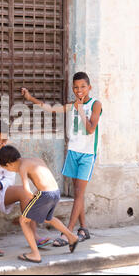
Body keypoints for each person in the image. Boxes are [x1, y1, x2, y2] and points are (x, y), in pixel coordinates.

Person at [21, 71, 102, 246]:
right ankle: (83, 228)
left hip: (87, 155)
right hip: (73, 152)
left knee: (79, 193)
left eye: (82, 87)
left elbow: (90, 129)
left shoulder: (96, 104)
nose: (79, 90)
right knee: (78, 193)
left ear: (89, 87)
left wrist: (80, 110)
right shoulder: (72, 105)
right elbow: (49, 108)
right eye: (76, 87)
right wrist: (30, 98)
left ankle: (68, 233)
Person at [0, 120, 52, 256]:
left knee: (24, 192)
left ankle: (34, 235)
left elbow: (9, 179)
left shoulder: (8, 151)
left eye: (4, 140)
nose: (0, 143)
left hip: (0, 189)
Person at [0, 145, 79, 263]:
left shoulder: (22, 167)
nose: (9, 171)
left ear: (9, 164)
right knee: (48, 218)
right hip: (55, 192)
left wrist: (32, 198)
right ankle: (72, 237)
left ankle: (35, 254)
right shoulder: (35, 160)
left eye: (5, 168)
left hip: (45, 194)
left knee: (23, 220)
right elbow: (44, 179)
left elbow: (26, 190)